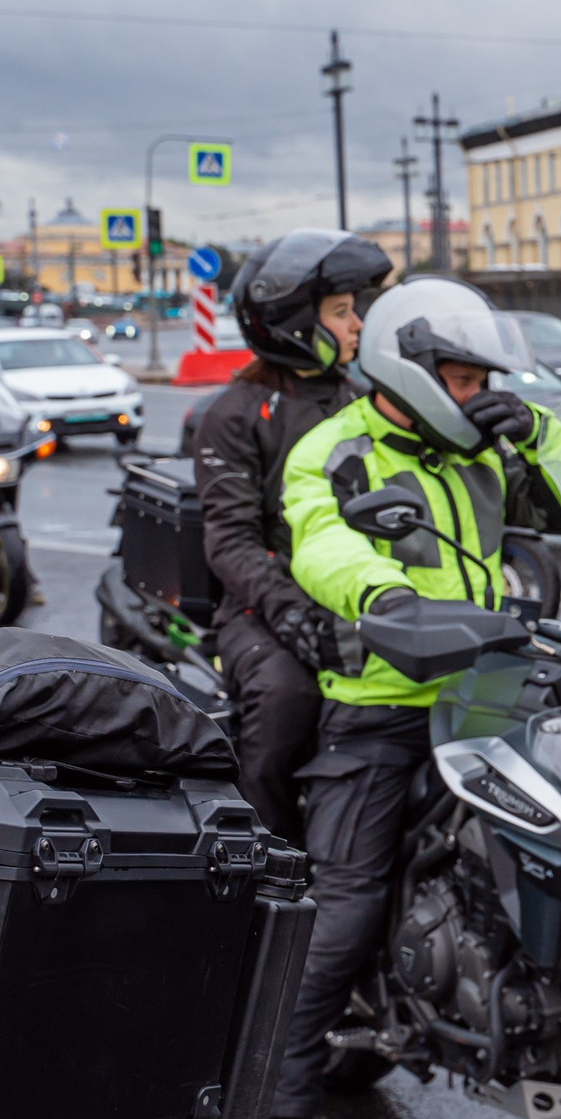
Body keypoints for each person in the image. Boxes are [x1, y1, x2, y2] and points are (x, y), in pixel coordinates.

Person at [254, 276, 561, 1119]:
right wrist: (385, 599)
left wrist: (542, 436)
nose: (477, 391)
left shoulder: (483, 446)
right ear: (411, 366)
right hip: (386, 694)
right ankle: (282, 1109)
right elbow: (322, 542)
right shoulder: (337, 449)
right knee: (345, 903)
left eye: (483, 377)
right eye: (463, 374)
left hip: (500, 676)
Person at [192, 229, 395, 846]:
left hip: (356, 591)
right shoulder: (235, 414)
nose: (357, 324)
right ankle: (265, 853)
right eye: (340, 312)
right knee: (286, 699)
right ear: (294, 322)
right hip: (264, 606)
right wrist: (293, 612)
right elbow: (229, 538)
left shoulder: (364, 400)